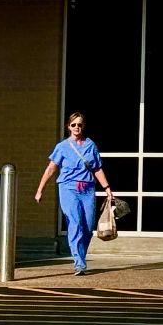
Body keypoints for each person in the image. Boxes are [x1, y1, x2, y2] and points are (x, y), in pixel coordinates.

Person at [36, 111, 116, 275]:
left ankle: (81, 257)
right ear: (68, 127)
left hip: (87, 188)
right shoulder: (62, 147)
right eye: (73, 125)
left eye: (79, 124)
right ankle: (79, 262)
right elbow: (51, 169)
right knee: (75, 223)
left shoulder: (90, 145)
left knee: (87, 227)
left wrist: (107, 188)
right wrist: (40, 190)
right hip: (68, 188)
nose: (76, 127)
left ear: (83, 126)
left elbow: (97, 168)